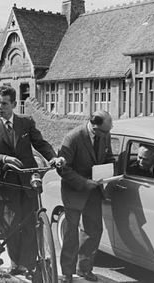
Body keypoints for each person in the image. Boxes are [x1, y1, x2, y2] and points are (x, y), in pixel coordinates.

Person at [0, 85, 65, 277]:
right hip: (7, 182)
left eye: (4, 103)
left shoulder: (26, 123)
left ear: (14, 104)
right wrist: (4, 159)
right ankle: (17, 264)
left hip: (27, 180)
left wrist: (52, 157)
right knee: (12, 226)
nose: (0, 107)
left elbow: (40, 143)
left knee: (30, 223)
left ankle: (30, 265)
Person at [58, 110, 115, 283]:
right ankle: (67, 273)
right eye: (105, 131)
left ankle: (84, 269)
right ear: (94, 126)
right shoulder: (73, 138)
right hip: (74, 191)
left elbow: (108, 157)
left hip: (94, 191)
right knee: (71, 233)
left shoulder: (104, 135)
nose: (108, 134)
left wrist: (110, 172)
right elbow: (62, 169)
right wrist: (83, 183)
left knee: (93, 230)